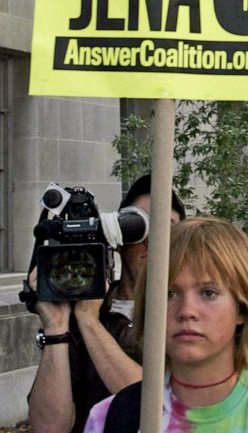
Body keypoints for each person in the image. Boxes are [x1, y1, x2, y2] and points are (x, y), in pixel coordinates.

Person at [82, 216, 248, 433]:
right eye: (169, 293)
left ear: (243, 307)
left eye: (208, 292)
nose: (186, 311)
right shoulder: (111, 419)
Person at [28, 174, 186, 433]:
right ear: (119, 236)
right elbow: (49, 427)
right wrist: (56, 327)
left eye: (167, 229)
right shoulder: (81, 311)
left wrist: (89, 322)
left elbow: (157, 411)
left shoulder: (186, 315)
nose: (151, 240)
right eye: (139, 226)